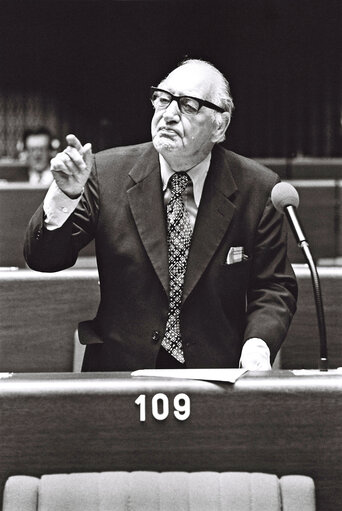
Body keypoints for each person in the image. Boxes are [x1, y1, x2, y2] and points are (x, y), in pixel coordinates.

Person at [24, 58, 298, 372]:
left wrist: (257, 347)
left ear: (219, 125)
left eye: (188, 105)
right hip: (120, 373)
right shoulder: (107, 173)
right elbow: (43, 258)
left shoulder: (258, 188)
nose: (168, 115)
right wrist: (66, 196)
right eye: (162, 99)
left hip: (218, 376)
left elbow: (273, 287)